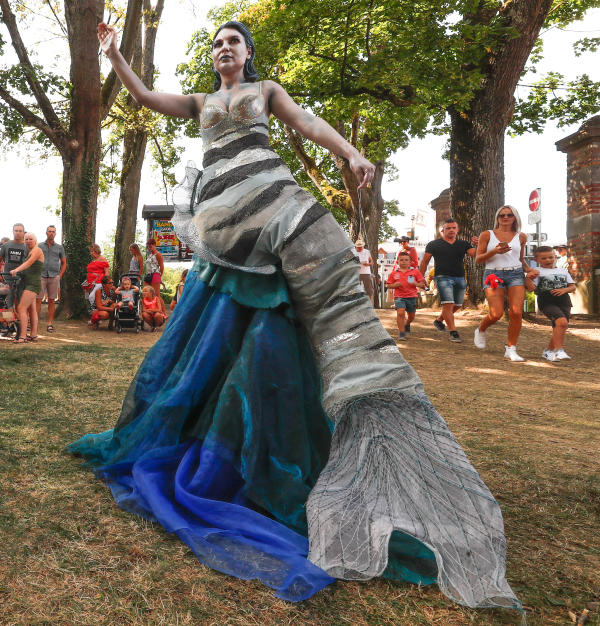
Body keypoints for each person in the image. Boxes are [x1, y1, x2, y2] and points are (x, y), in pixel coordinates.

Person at [68, 21, 519, 609]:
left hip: (275, 206)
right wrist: (115, 57)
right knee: (219, 326)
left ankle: (351, 405)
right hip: (227, 227)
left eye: (233, 42)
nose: (223, 49)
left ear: (248, 54)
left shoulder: (267, 92)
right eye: (216, 44)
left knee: (304, 297)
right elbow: (147, 98)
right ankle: (215, 430)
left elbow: (307, 123)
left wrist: (352, 152)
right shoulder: (203, 101)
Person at [474, 205, 529, 362]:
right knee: (496, 313)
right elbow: (478, 259)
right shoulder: (487, 234)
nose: (505, 217)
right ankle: (481, 329)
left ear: (515, 218)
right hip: (493, 273)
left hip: (516, 273)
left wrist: (529, 270)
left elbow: (521, 259)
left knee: (517, 312)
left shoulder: (521, 236)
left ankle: (511, 349)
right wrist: (494, 251)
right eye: (501, 215)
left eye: (509, 215)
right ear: (497, 218)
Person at [419, 218, 476, 343]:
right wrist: (420, 277)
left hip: (460, 277)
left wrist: (480, 243)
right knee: (448, 304)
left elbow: (476, 255)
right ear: (442, 230)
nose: (451, 230)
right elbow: (424, 262)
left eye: (453, 228)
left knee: (457, 305)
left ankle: (439, 320)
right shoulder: (433, 244)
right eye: (448, 228)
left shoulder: (463, 244)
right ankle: (453, 332)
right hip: (442, 277)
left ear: (457, 230)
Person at [525, 246, 576, 361]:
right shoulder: (537, 272)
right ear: (536, 260)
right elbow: (531, 288)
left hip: (564, 302)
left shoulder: (563, 271)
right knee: (562, 322)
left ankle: (548, 351)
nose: (548, 260)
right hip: (547, 302)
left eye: (550, 257)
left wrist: (563, 290)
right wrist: (528, 278)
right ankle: (559, 351)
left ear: (555, 257)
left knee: (560, 326)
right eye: (544, 258)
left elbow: (572, 287)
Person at [9, 232, 44, 342]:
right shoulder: (30, 251)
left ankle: (22, 336)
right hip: (28, 283)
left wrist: (16, 270)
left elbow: (29, 263)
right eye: (26, 239)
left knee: (21, 308)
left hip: (33, 284)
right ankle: (33, 335)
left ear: (35, 240)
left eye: (31, 239)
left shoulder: (37, 250)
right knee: (32, 309)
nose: (28, 241)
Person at [386, 251, 426, 340]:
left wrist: (415, 283)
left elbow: (422, 284)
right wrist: (394, 285)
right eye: (401, 260)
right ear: (397, 262)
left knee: (411, 316)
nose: (403, 262)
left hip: (412, 297)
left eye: (406, 260)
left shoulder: (415, 272)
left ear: (410, 262)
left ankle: (407, 323)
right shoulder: (394, 273)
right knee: (400, 313)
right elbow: (388, 285)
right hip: (399, 297)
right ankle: (401, 333)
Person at [38, 224, 67, 333]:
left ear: (55, 233)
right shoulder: (39, 246)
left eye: (53, 231)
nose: (51, 233)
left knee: (51, 301)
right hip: (41, 276)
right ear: (46, 232)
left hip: (54, 276)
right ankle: (35, 323)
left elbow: (64, 263)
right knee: (38, 300)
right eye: (49, 231)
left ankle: (50, 324)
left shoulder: (59, 247)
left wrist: (60, 275)